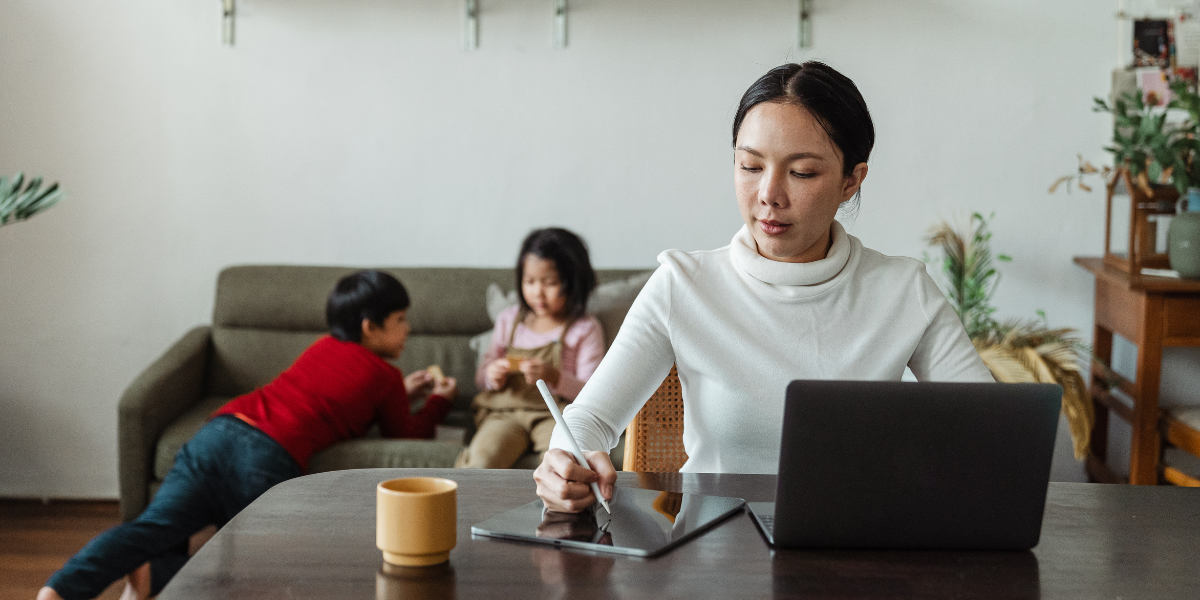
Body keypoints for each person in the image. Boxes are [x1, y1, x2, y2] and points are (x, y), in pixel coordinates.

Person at [533, 61, 995, 512]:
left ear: (851, 180)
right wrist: (566, 461)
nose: (769, 194)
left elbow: (990, 427)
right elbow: (589, 419)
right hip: (715, 563)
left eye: (802, 172)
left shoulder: (902, 289)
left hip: (856, 552)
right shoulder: (683, 285)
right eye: (750, 166)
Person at [40, 270, 458, 600]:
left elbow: (330, 394)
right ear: (371, 327)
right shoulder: (385, 374)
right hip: (267, 457)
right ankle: (159, 575)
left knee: (152, 528)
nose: (408, 330)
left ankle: (62, 588)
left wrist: (401, 392)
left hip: (222, 430)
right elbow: (407, 431)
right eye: (401, 320)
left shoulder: (322, 347)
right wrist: (438, 400)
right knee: (261, 564)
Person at [455, 228, 606, 469]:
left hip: (555, 415)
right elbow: (481, 377)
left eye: (550, 283)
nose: (537, 292)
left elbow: (593, 394)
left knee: (564, 466)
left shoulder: (585, 328)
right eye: (529, 281)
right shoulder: (509, 320)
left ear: (573, 282)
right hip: (505, 412)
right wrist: (491, 374)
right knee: (481, 462)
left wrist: (554, 376)